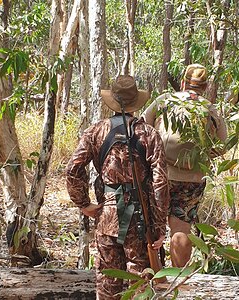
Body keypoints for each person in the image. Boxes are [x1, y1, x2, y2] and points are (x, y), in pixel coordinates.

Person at [66, 75, 170, 299]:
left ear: (112, 100)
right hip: (141, 218)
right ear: (135, 102)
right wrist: (160, 226)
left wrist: (83, 204)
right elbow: (160, 181)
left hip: (108, 215)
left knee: (107, 280)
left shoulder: (95, 131)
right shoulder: (149, 134)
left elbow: (73, 169)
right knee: (141, 279)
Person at [143, 64, 227, 267]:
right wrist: (202, 159)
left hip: (159, 173)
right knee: (181, 228)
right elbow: (223, 145)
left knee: (152, 226)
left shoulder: (165, 101)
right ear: (205, 87)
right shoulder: (209, 109)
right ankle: (177, 283)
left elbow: (143, 124)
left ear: (182, 82)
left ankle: (152, 280)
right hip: (192, 179)